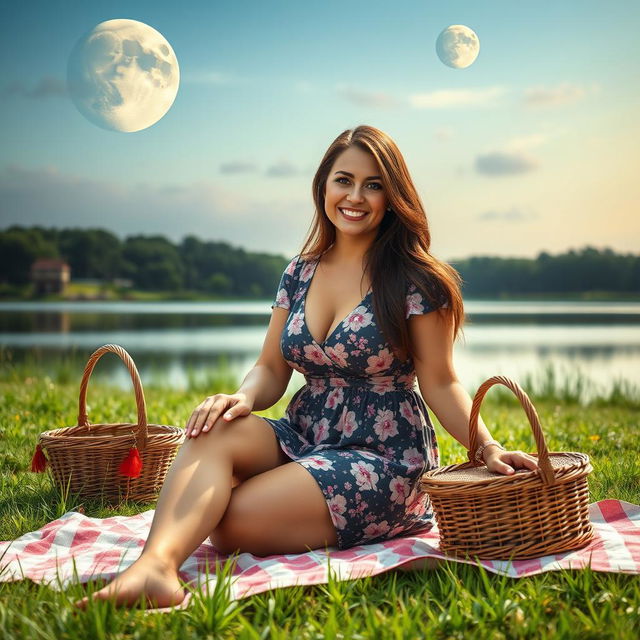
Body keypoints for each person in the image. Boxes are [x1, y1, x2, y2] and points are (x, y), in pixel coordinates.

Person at [76, 125, 539, 609]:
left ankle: (201, 538)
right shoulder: (299, 271)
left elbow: (441, 381)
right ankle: (154, 570)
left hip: (381, 456)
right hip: (306, 431)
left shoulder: (417, 280)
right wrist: (242, 399)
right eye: (344, 180)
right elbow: (270, 368)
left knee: (230, 525)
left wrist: (486, 446)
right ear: (323, 186)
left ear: (393, 195)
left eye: (373, 184)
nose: (355, 196)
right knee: (210, 431)